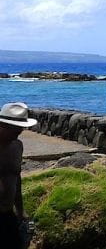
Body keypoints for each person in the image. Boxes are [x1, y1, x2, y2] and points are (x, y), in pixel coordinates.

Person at [0, 102, 37, 249]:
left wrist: (20, 210)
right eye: (14, 129)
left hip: (7, 213)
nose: (19, 132)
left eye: (20, 128)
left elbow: (16, 178)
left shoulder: (17, 146)